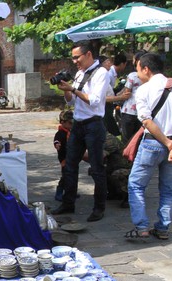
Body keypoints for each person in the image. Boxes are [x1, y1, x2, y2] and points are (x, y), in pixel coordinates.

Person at [124, 53, 172, 241]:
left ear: (146, 69)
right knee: (168, 189)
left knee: (136, 185)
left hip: (152, 143)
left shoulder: (143, 90)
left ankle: (142, 227)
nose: (137, 73)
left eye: (138, 69)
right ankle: (163, 228)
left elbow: (147, 121)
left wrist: (169, 143)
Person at [52, 41, 111, 223]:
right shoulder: (79, 73)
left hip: (94, 124)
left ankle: (99, 207)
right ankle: (68, 202)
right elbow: (71, 102)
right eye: (73, 57)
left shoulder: (101, 73)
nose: (75, 61)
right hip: (78, 124)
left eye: (77, 57)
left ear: (88, 55)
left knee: (96, 167)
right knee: (70, 166)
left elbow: (93, 100)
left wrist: (73, 89)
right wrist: (66, 90)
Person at [107, 51, 146, 143]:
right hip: (143, 111)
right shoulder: (150, 76)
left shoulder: (133, 75)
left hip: (129, 111)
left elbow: (126, 92)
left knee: (126, 139)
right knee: (138, 139)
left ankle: (126, 156)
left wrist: (116, 97)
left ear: (137, 62)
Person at [53, 110, 73, 202]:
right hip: (64, 158)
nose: (71, 125)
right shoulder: (60, 133)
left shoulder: (71, 132)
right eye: (69, 123)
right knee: (65, 176)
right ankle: (59, 192)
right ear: (62, 122)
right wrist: (57, 144)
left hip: (72, 157)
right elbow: (56, 140)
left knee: (72, 175)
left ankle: (71, 192)